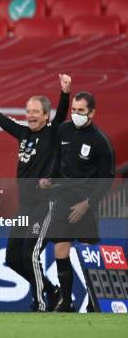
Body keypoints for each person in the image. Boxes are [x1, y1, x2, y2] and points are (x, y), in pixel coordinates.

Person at [0, 74, 71, 312]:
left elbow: (62, 113)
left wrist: (65, 93)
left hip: (45, 206)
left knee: (31, 254)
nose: (31, 115)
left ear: (46, 115)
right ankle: (53, 291)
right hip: (25, 207)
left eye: (36, 111)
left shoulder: (52, 133)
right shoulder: (23, 132)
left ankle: (40, 304)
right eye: (28, 110)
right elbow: (0, 119)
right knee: (13, 258)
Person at [43, 92, 115, 312]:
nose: (76, 114)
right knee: (60, 248)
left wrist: (88, 203)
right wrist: (50, 178)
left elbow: (107, 178)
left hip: (86, 204)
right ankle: (67, 301)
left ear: (92, 112)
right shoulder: (63, 130)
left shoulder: (100, 141)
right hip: (63, 199)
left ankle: (95, 302)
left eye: (81, 111)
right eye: (74, 110)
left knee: (87, 253)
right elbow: (58, 160)